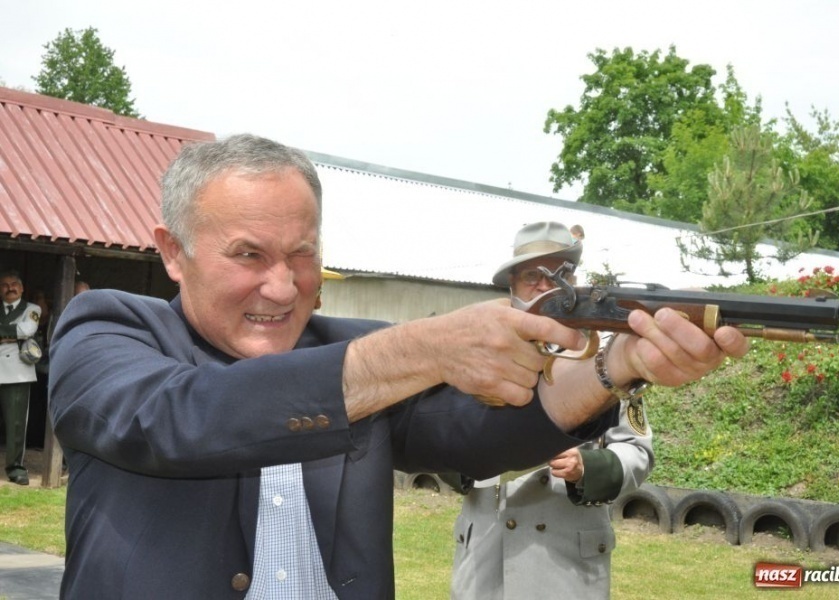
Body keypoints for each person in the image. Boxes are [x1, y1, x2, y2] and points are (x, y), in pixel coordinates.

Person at [48, 134, 748, 599]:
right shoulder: (107, 329)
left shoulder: (350, 350)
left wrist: (619, 362)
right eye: (249, 256)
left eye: (302, 255)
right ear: (173, 252)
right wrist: (422, 347)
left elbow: (483, 424)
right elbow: (177, 418)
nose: (284, 287)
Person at [450, 222, 653, 599]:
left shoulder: (607, 358)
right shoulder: (475, 352)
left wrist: (586, 468)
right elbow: (437, 439)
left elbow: (637, 451)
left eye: (561, 274)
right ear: (511, 284)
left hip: (564, 567)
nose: (546, 286)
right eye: (533, 276)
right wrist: (467, 460)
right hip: (484, 563)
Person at [0, 270, 42, 485]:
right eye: (5, 284)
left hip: (17, 372)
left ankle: (15, 467)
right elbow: (19, 331)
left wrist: (9, 333)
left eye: (14, 284)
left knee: (16, 424)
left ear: (22, 288)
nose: (10, 288)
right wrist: (11, 333)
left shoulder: (32, 309)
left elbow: (27, 330)